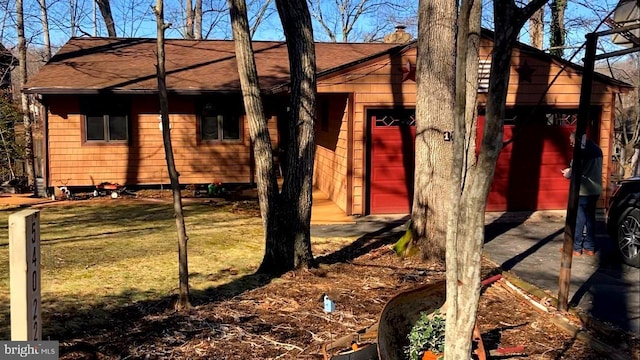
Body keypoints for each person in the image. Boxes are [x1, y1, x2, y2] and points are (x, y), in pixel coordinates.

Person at [561, 132, 603, 257]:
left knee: (579, 219)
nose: (571, 143)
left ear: (577, 139)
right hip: (595, 190)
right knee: (590, 219)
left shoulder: (581, 151)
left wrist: (567, 173)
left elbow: (576, 170)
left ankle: (576, 248)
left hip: (583, 190)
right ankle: (589, 247)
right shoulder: (597, 149)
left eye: (572, 141)